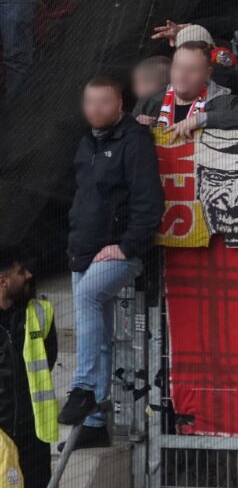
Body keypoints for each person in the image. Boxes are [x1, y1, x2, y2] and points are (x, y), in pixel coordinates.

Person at [58, 77, 162, 446]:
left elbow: (149, 204)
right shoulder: (87, 141)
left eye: (104, 102)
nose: (95, 109)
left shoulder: (133, 140)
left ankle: (83, 388)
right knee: (98, 336)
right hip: (83, 250)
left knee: (87, 297)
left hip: (121, 251)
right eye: (90, 102)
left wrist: (127, 246)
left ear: (120, 105)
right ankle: (94, 425)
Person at [0, 249, 58, 488]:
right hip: (1, 436)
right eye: (21, 271)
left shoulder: (41, 312)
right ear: (4, 280)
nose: (29, 276)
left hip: (33, 430)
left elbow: (49, 357)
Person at [132, 40, 238, 136]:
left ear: (207, 74)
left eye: (191, 70)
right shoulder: (149, 102)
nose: (182, 76)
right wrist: (135, 126)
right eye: (178, 68)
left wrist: (202, 120)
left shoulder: (221, 100)